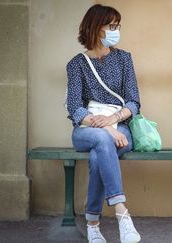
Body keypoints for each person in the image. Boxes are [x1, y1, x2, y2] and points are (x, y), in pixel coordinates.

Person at [66, 4, 141, 243]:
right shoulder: (76, 64)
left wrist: (114, 120)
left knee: (100, 152)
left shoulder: (124, 59)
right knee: (102, 138)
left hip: (120, 128)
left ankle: (93, 224)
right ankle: (122, 213)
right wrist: (107, 127)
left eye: (118, 26)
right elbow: (74, 108)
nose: (116, 30)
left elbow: (134, 102)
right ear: (96, 28)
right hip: (87, 129)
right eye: (112, 26)